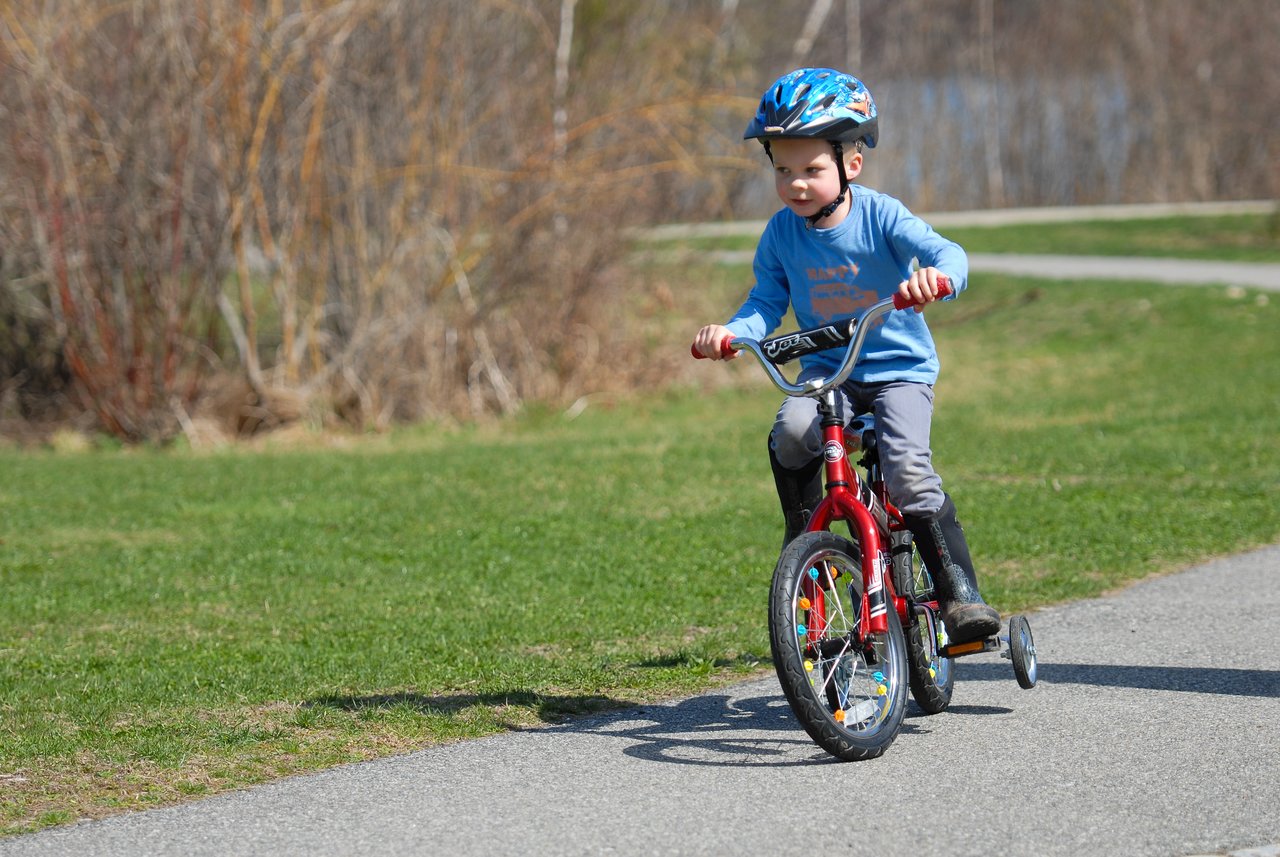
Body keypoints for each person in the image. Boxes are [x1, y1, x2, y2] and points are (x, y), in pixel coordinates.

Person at [691, 67, 1000, 644]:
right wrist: (732, 334)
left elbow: (947, 252)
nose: (796, 184)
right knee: (791, 431)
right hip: (827, 373)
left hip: (897, 374)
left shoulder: (882, 216)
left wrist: (936, 278)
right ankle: (805, 540)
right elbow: (765, 302)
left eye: (811, 170)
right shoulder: (781, 234)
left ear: (849, 164)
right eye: (783, 170)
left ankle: (960, 593)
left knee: (907, 469)